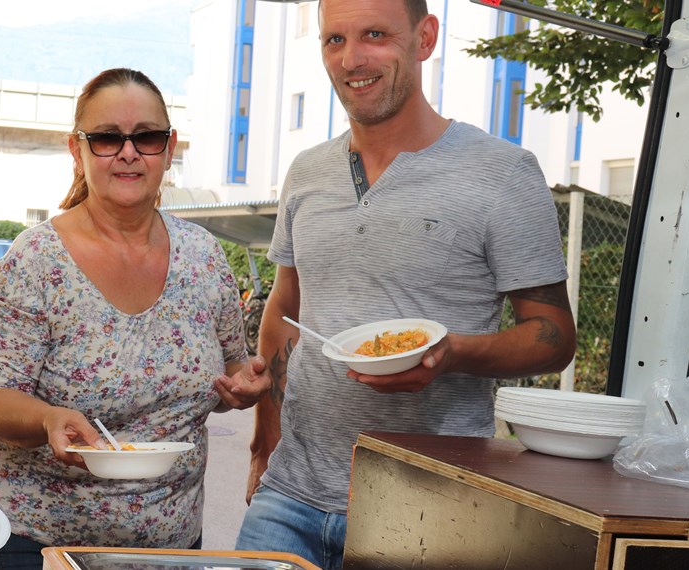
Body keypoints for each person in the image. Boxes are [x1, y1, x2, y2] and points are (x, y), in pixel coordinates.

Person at [234, 0, 578, 569]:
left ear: (425, 38)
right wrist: (262, 445)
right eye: (334, 40)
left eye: (374, 35)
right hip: (288, 495)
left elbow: (554, 336)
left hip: (426, 500)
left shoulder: (504, 172)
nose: (352, 59)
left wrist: (453, 353)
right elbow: (285, 310)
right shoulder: (306, 171)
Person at [0, 67, 271, 570]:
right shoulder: (35, 262)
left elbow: (232, 364)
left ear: (169, 149)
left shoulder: (205, 256)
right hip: (27, 544)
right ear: (77, 151)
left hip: (167, 547)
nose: (128, 152)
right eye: (106, 138)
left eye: (146, 137)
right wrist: (47, 418)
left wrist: (244, 383)